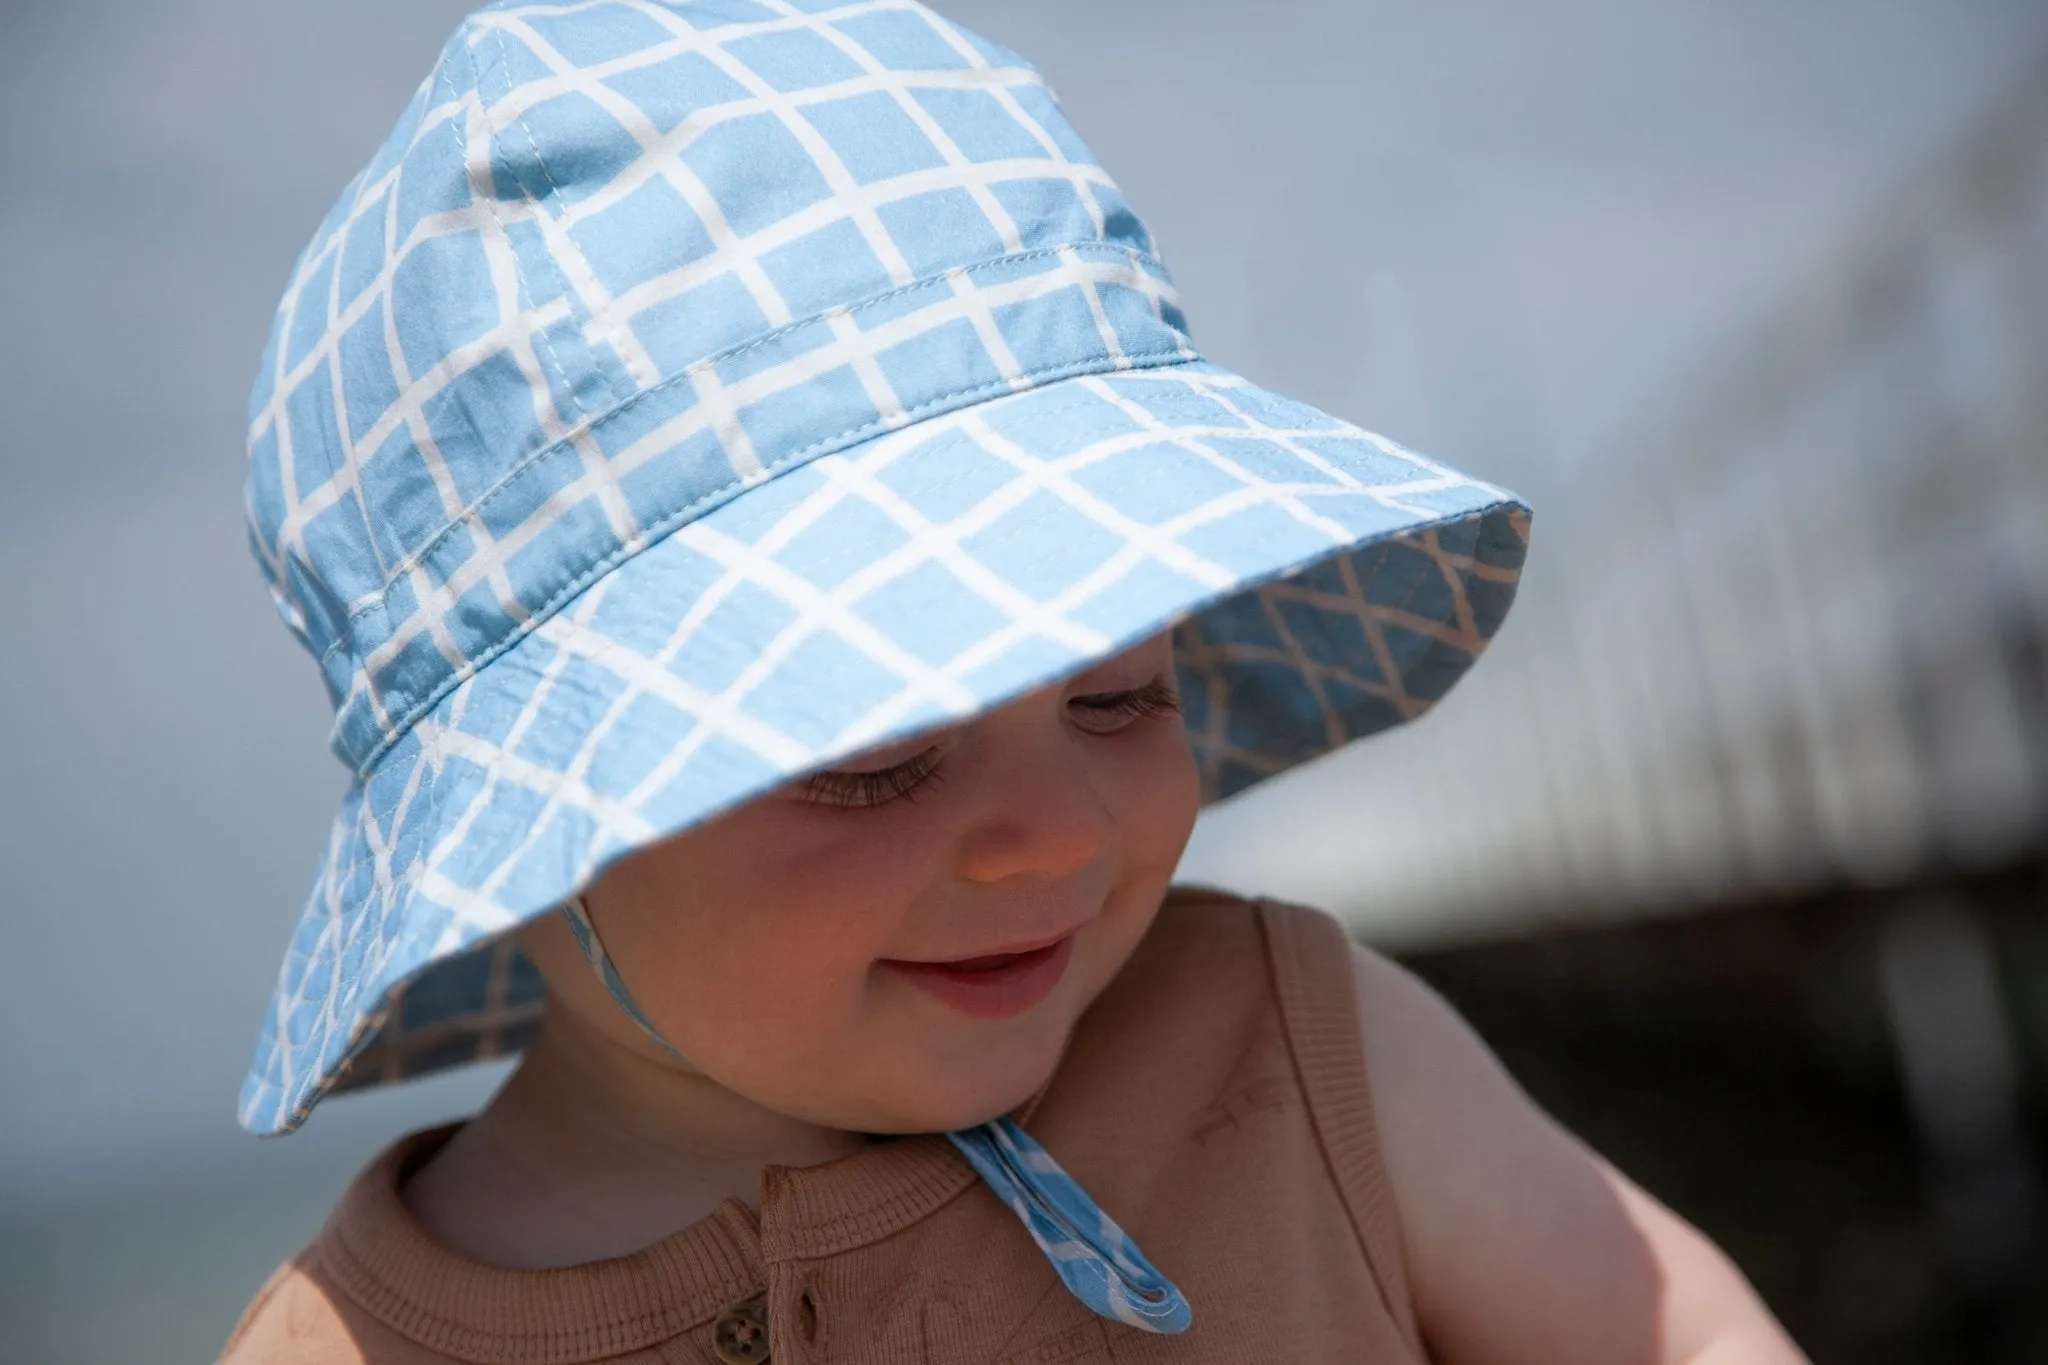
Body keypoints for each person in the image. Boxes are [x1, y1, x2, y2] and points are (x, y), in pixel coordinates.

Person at [220, 2, 1805, 1360]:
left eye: (1117, 695)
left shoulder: (1292, 1054)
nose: (1053, 834)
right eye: (871, 753)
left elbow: (1680, 1330)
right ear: (528, 819)